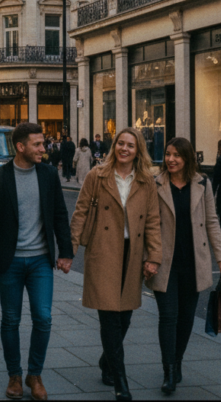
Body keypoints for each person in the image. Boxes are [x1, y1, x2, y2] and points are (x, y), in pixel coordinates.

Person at [0, 123, 73, 401]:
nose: (44, 149)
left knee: (43, 318)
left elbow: (58, 214)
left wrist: (65, 252)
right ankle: (15, 376)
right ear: (21, 147)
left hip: (41, 261)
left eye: (43, 144)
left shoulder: (48, 174)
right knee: (11, 319)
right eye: (38, 144)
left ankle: (35, 374)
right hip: (10, 262)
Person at [70, 128, 161, 401]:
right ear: (114, 147)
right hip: (102, 250)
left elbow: (154, 221)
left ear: (138, 150)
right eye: (120, 143)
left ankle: (106, 360)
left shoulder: (146, 181)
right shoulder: (96, 176)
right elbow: (81, 211)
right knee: (109, 316)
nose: (124, 148)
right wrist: (69, 249)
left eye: (130, 145)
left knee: (125, 317)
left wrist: (153, 256)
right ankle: (121, 382)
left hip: (132, 253)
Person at [148, 137, 221, 395]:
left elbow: (212, 221)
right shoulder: (155, 184)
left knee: (185, 319)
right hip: (165, 263)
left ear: (187, 158)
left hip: (194, 263)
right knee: (168, 317)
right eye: (168, 154)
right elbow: (147, 224)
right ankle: (169, 370)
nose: (171, 159)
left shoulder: (202, 183)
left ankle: (178, 359)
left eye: (177, 155)